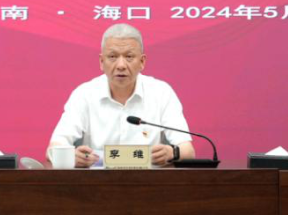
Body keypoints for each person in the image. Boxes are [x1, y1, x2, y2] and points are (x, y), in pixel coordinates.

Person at [48, 23, 195, 167]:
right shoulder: (84, 94)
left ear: (142, 61)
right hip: (97, 180)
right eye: (112, 56)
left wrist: (172, 153)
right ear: (101, 62)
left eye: (129, 56)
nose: (121, 65)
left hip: (149, 180)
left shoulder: (161, 92)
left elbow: (187, 150)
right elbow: (53, 148)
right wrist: (70, 157)